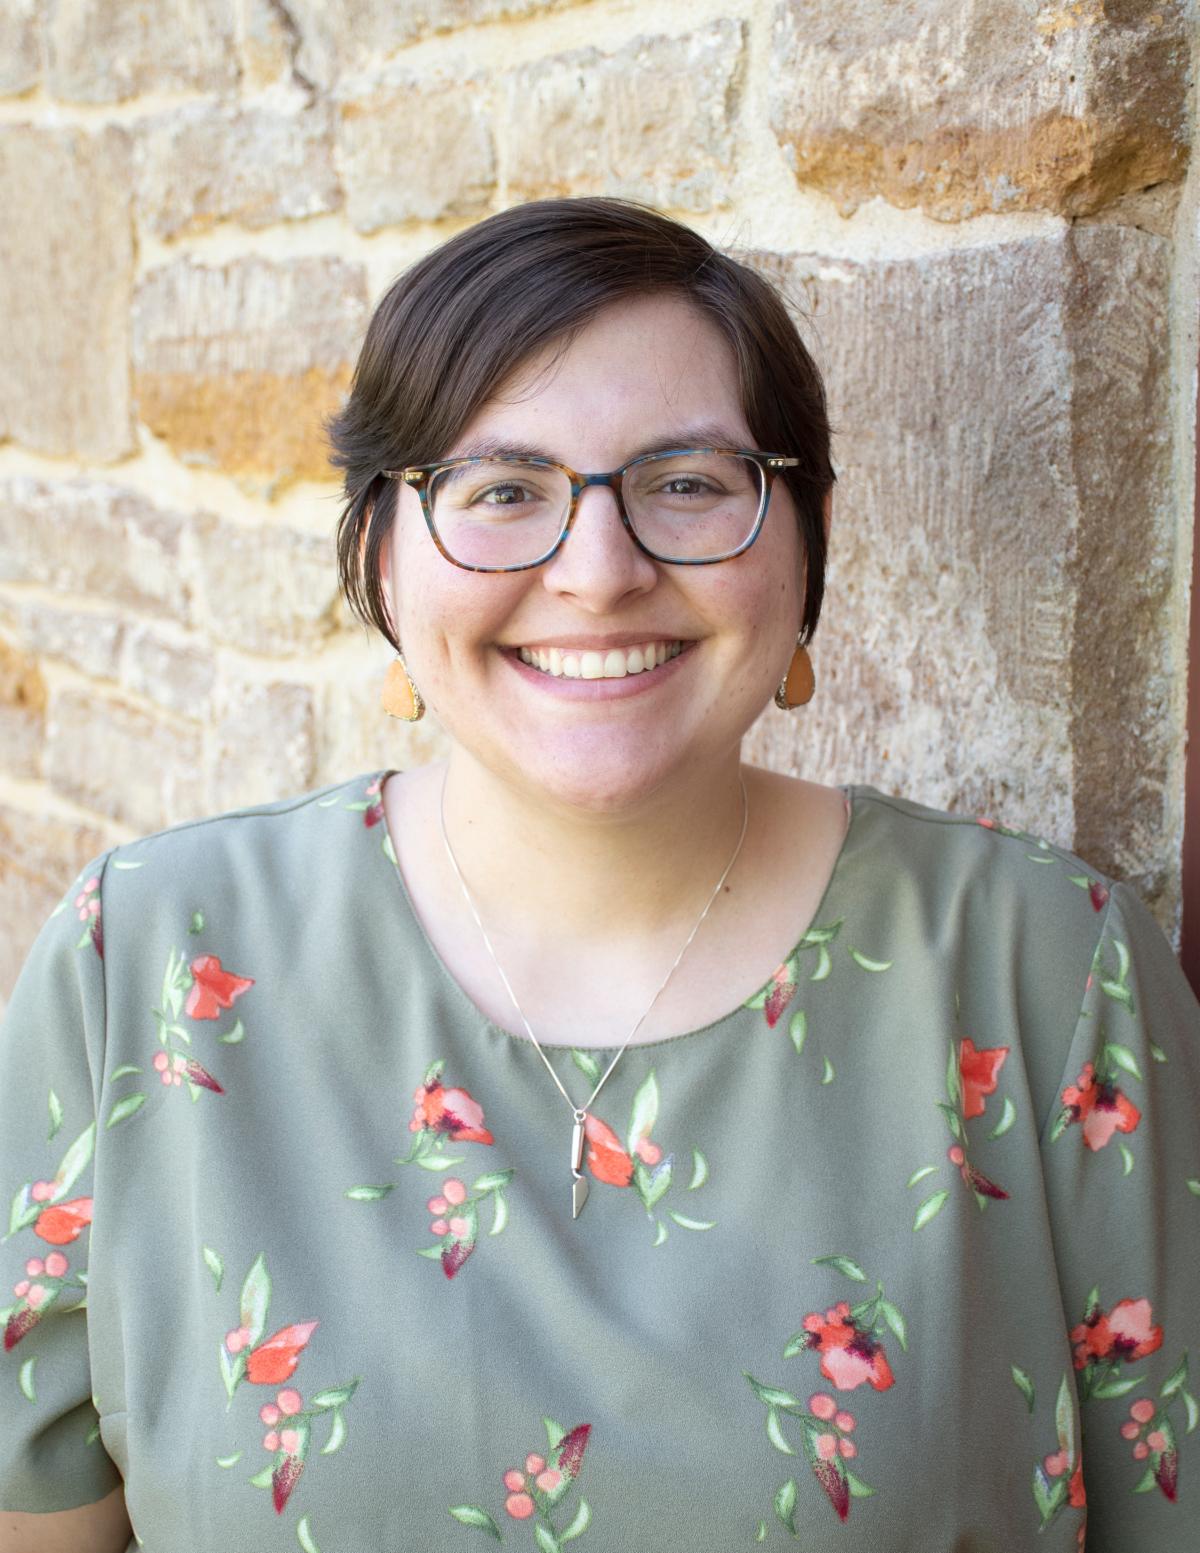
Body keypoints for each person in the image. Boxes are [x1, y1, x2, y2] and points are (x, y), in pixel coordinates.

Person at [0, 197, 1197, 1553]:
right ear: (381, 554)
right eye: (501, 490)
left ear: (804, 536)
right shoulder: (144, 965)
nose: (599, 571)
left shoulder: (1045, 970)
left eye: (685, 482)